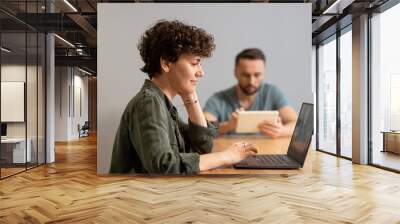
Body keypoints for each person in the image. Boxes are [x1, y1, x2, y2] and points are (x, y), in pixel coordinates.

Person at [110, 20, 257, 174]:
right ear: (166, 63)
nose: (201, 72)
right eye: (195, 63)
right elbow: (164, 166)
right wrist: (226, 157)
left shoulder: (163, 105)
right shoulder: (149, 102)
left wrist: (190, 97)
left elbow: (202, 146)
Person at [203, 48, 297, 137]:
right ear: (235, 73)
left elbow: (297, 125)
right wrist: (228, 126)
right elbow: (202, 130)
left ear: (263, 73)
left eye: (257, 75)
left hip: (265, 151)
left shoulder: (272, 92)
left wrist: (281, 130)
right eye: (245, 75)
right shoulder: (218, 99)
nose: (251, 81)